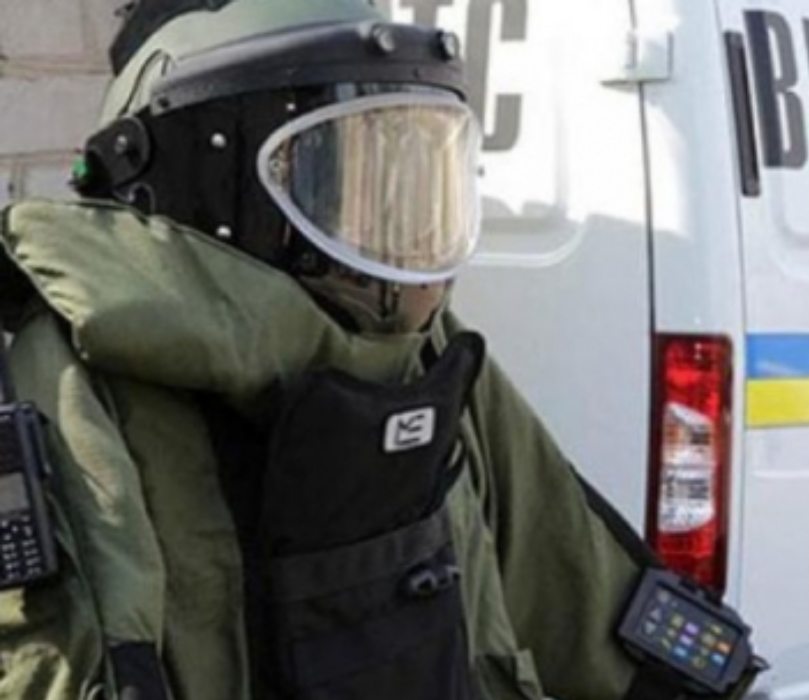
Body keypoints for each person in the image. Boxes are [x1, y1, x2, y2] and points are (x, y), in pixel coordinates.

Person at [0, 0, 763, 698]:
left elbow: (584, 593)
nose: (391, 230)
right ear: (199, 182)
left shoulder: (427, 360)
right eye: (333, 176)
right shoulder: (72, 389)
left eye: (416, 174)